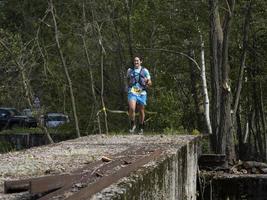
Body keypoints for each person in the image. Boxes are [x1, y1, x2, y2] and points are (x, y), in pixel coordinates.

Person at [126, 55, 152, 134]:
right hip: (132, 91)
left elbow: (150, 83)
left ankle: (141, 126)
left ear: (141, 61)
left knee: (141, 110)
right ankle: (132, 124)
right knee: (132, 108)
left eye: (137, 61)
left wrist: (147, 81)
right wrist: (127, 87)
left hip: (141, 92)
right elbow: (127, 80)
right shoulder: (130, 70)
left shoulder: (145, 71)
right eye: (135, 61)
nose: (136, 62)